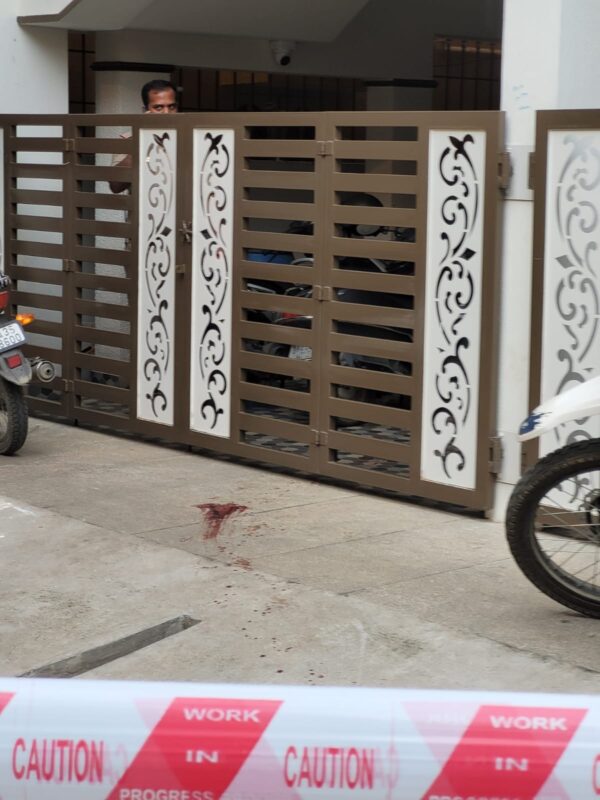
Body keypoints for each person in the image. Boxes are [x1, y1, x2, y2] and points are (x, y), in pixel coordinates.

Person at [109, 79, 178, 193]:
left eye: (171, 107)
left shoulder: (187, 136)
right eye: (158, 108)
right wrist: (141, 140)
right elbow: (116, 186)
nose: (166, 112)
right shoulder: (129, 138)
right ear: (145, 110)